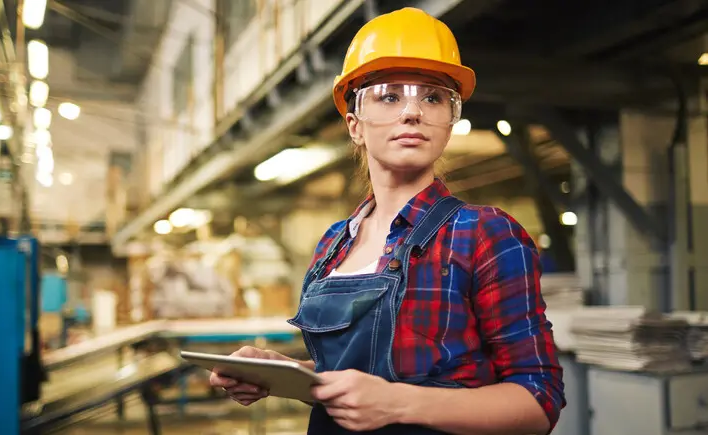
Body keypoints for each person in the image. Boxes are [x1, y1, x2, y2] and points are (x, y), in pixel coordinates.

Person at [210, 7, 565, 434]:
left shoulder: (484, 233)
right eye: (389, 96)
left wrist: (399, 403)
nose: (412, 112)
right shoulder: (333, 244)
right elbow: (349, 378)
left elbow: (538, 399)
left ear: (450, 121)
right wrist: (282, 373)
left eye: (433, 97)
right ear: (354, 125)